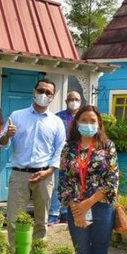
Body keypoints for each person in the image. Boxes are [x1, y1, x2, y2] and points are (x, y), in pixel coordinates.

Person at [0, 78, 66, 249]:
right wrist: (7, 135)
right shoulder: (17, 116)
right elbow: (3, 143)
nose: (44, 94)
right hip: (19, 174)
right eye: (41, 90)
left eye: (48, 92)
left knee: (41, 220)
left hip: (44, 175)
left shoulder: (56, 122)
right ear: (34, 92)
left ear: (52, 97)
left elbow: (60, 150)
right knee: (14, 219)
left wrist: (50, 171)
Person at [58, 105, 118, 254]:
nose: (88, 124)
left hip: (102, 207)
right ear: (77, 122)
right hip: (76, 208)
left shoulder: (107, 146)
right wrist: (77, 209)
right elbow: (63, 181)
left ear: (99, 123)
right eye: (84, 120)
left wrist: (88, 203)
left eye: (92, 120)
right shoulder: (68, 148)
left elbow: (112, 180)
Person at [49, 90, 83, 226]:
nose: (74, 102)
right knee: (58, 184)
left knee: (74, 185)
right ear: (66, 101)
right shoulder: (58, 117)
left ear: (80, 102)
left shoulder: (83, 117)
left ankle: (65, 213)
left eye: (77, 99)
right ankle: (53, 213)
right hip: (61, 156)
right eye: (71, 99)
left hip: (79, 157)